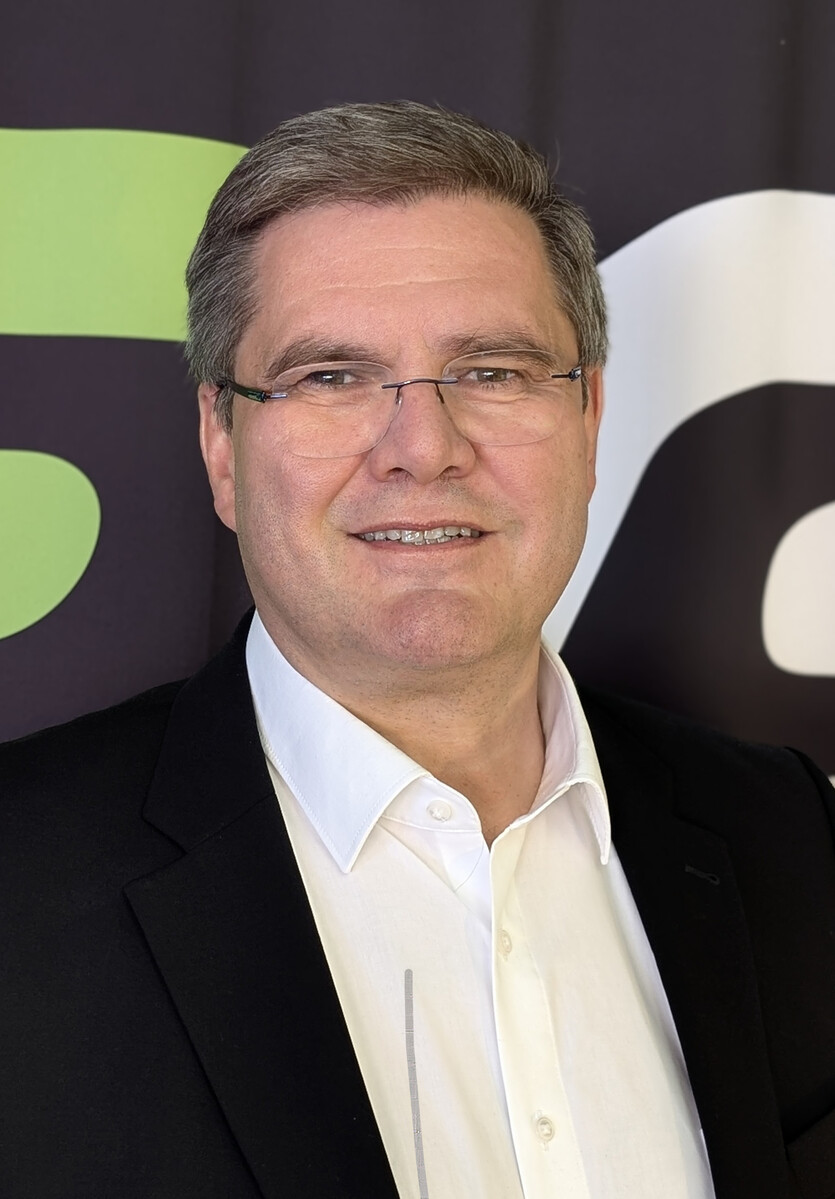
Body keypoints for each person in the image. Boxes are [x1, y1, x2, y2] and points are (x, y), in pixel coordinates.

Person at [1, 101, 834, 1199]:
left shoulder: (787, 834)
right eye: (330, 377)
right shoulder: (20, 884)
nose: (423, 448)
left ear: (587, 420)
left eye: (491, 370)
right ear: (221, 442)